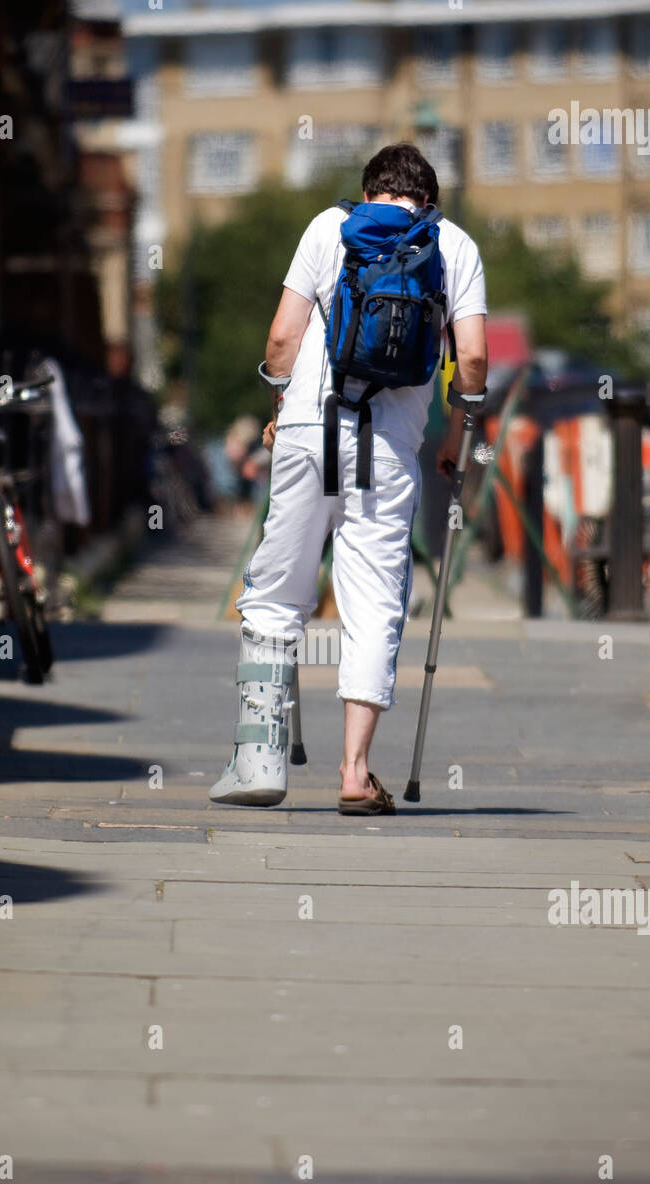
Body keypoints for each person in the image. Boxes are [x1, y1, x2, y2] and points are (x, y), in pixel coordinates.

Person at [209, 143, 487, 813]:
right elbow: (472, 359)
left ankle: (259, 761)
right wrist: (456, 432)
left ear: (370, 191)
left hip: (309, 434)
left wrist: (280, 407)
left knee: (278, 590)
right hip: (387, 451)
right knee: (373, 605)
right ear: (430, 196)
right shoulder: (454, 244)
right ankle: (355, 774)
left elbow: (282, 338)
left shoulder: (328, 227)